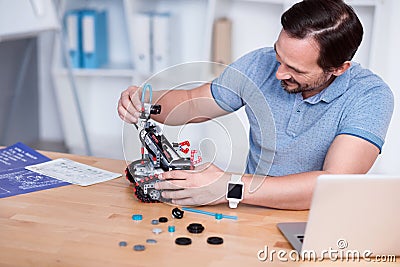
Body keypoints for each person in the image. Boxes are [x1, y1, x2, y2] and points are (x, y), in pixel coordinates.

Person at [118, 0, 393, 210]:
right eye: (279, 55)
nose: (278, 73)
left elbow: (334, 184)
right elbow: (192, 103)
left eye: (294, 69)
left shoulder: (371, 96)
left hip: (319, 218)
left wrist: (229, 186)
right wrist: (145, 100)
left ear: (338, 68)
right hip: (250, 207)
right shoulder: (260, 63)